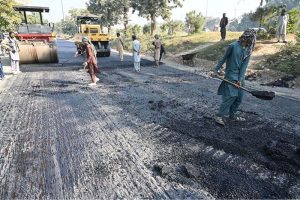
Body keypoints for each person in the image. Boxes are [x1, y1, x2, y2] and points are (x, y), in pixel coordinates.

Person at [212, 29, 256, 126]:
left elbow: (244, 67)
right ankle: (219, 115)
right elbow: (223, 58)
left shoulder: (248, 50)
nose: (251, 41)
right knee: (230, 97)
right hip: (231, 75)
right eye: (250, 39)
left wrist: (240, 80)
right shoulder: (233, 46)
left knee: (239, 98)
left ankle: (232, 115)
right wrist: (215, 70)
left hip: (240, 77)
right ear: (245, 37)